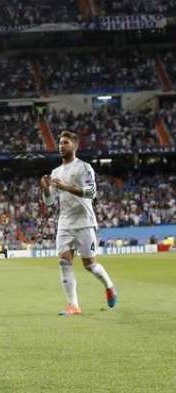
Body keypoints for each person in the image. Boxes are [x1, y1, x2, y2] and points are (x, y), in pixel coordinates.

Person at [40, 130, 117, 316]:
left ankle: (109, 286)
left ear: (75, 146)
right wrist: (46, 190)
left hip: (84, 222)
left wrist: (65, 187)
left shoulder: (84, 168)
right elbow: (49, 202)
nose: (61, 146)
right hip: (65, 223)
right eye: (60, 143)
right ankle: (73, 305)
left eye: (65, 142)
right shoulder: (56, 172)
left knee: (90, 265)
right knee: (64, 262)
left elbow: (92, 193)